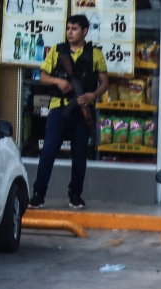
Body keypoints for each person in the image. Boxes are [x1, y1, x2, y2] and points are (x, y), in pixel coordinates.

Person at [30, 15, 109, 210]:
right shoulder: (57, 51)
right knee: (48, 151)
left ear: (84, 31)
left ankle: (75, 195)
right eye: (68, 28)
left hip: (82, 109)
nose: (70, 32)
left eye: (74, 28)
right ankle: (38, 194)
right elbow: (43, 77)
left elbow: (105, 82)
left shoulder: (95, 54)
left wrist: (93, 95)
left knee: (79, 153)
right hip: (59, 107)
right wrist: (58, 81)